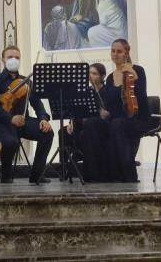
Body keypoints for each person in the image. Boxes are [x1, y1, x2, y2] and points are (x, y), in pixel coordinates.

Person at [76, 40, 151, 182]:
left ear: (126, 53)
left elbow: (141, 97)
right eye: (113, 51)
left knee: (117, 124)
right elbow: (109, 104)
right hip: (115, 118)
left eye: (119, 51)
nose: (115, 54)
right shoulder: (110, 78)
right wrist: (103, 111)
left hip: (136, 118)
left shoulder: (138, 70)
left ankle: (124, 175)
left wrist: (134, 78)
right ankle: (95, 176)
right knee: (92, 124)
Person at [0, 45, 53, 183]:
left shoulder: (26, 81)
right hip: (2, 123)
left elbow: (38, 104)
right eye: (10, 57)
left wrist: (43, 119)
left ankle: (36, 175)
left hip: (23, 121)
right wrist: (10, 118)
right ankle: (6, 176)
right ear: (3, 59)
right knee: (11, 142)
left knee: (47, 133)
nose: (14, 60)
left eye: (17, 57)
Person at [58, 63, 107, 176]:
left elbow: (104, 114)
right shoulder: (85, 91)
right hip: (82, 124)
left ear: (102, 76)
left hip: (97, 127)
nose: (90, 76)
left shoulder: (105, 91)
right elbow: (76, 110)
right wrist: (71, 123)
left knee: (85, 133)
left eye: (94, 74)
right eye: (89, 73)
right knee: (63, 132)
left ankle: (82, 159)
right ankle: (63, 168)